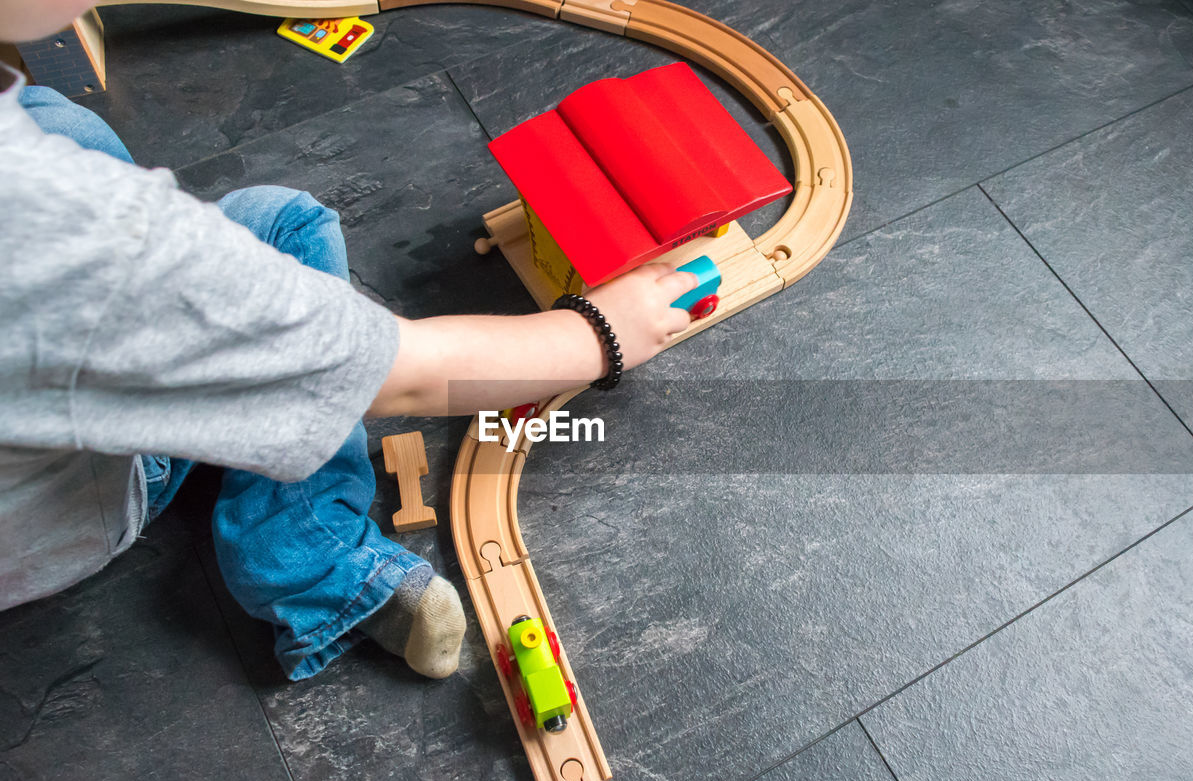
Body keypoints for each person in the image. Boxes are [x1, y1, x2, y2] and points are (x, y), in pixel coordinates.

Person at [0, 2, 694, 680]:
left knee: (63, 120)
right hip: (75, 499)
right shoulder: (63, 226)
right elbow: (392, 374)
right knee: (292, 229)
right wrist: (599, 334)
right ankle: (316, 562)